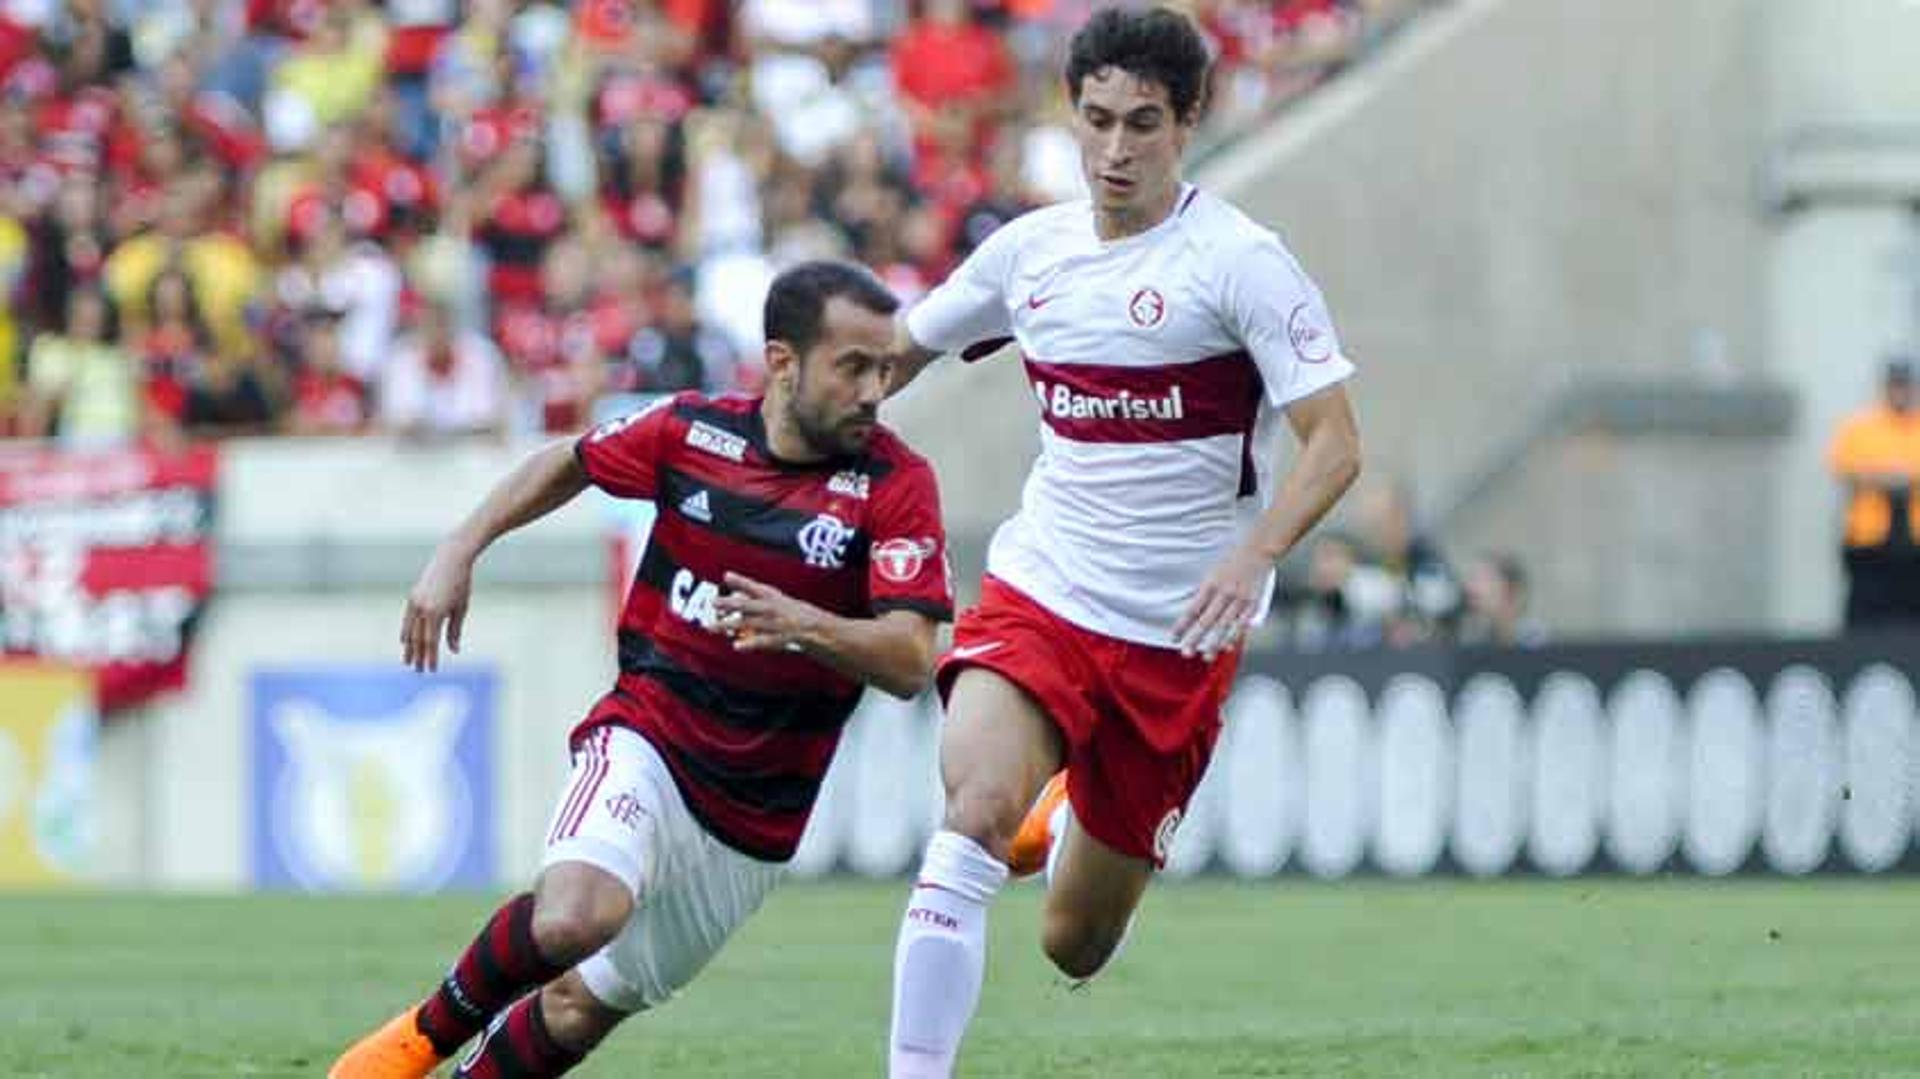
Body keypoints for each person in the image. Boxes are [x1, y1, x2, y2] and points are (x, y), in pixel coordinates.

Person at [879, 8, 1363, 1077]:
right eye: (1095, 120)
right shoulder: (1028, 254)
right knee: (971, 816)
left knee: (1073, 943)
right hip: (1042, 591)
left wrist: (1256, 554)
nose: (1114, 151)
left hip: (1176, 635)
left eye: (1143, 123)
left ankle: (1078, 809)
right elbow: (897, 350)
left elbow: (1335, 445)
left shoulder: (1240, 262)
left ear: (1189, 120)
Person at [329, 261, 953, 1079]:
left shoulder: (894, 483)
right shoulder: (693, 432)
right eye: (853, 366)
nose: (875, 389)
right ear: (783, 361)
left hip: (756, 821)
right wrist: (459, 547)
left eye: (884, 367)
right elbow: (569, 461)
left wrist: (804, 624)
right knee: (575, 917)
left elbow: (911, 660)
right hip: (650, 736)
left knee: (577, 1006)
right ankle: (423, 1035)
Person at [1827, 356, 1920, 627]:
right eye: (1895, 385)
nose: (1900, 392)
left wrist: (1889, 476)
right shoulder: (1861, 428)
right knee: (1865, 614)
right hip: (1869, 539)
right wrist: (1894, 478)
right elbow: (1846, 470)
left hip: (1915, 540)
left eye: (1905, 386)